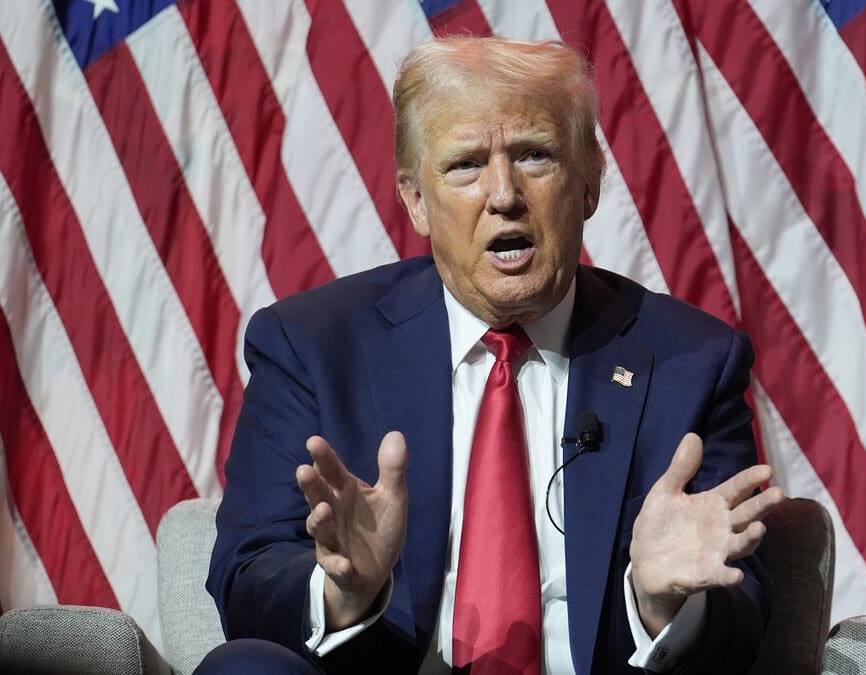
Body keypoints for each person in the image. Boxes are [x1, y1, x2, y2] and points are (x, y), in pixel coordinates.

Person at [203, 36, 784, 674]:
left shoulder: (692, 361)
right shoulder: (313, 345)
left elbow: (744, 618)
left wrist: (659, 604)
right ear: (415, 200)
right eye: (465, 166)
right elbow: (246, 576)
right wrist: (343, 591)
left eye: (535, 156)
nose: (503, 194)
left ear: (590, 183)